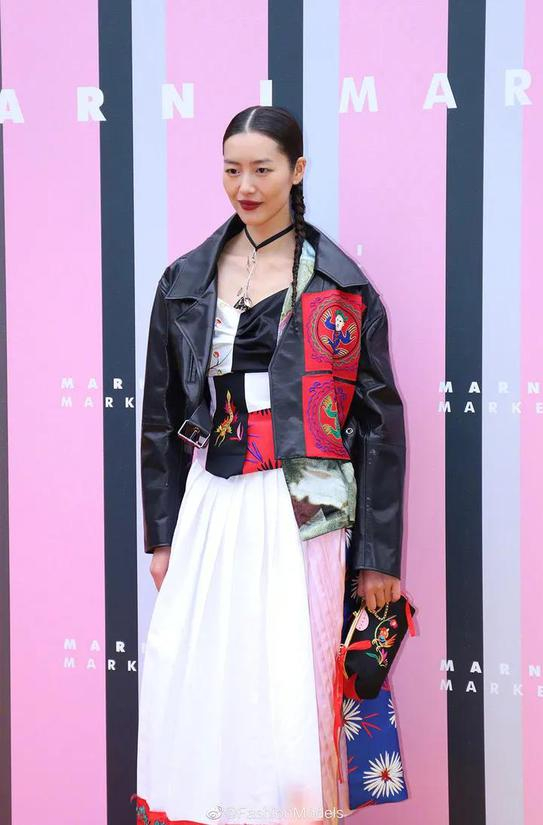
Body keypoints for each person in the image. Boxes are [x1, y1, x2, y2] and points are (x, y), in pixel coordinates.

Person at [132, 105, 408, 824]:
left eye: (262, 169)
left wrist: (378, 556)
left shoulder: (341, 284)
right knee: (204, 674)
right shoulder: (185, 280)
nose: (245, 186)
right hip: (212, 498)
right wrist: (162, 535)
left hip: (304, 507)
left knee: (293, 679)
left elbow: (379, 423)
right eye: (232, 170)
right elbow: (160, 415)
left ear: (298, 171)